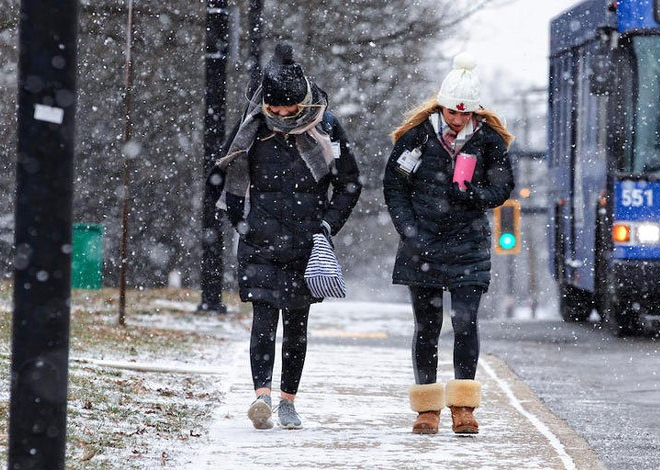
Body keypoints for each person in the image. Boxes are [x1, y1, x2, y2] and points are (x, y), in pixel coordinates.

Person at [206, 43, 361, 429]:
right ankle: (261, 396)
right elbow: (221, 173)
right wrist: (239, 222)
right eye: (272, 107)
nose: (277, 114)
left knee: (296, 324)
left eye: (284, 108)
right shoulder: (251, 125)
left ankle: (289, 401)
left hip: (306, 243)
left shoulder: (326, 128)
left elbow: (349, 183)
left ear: (302, 101)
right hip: (259, 241)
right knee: (263, 318)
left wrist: (326, 225)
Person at [383, 52, 515, 435]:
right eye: (451, 113)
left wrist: (470, 195)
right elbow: (395, 187)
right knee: (426, 326)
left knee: (465, 324)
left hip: (468, 249)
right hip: (420, 248)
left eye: (465, 114)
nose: (457, 121)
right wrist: (410, 231)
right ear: (441, 106)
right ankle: (427, 409)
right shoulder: (418, 137)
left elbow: (502, 187)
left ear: (476, 111)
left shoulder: (489, 142)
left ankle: (463, 407)